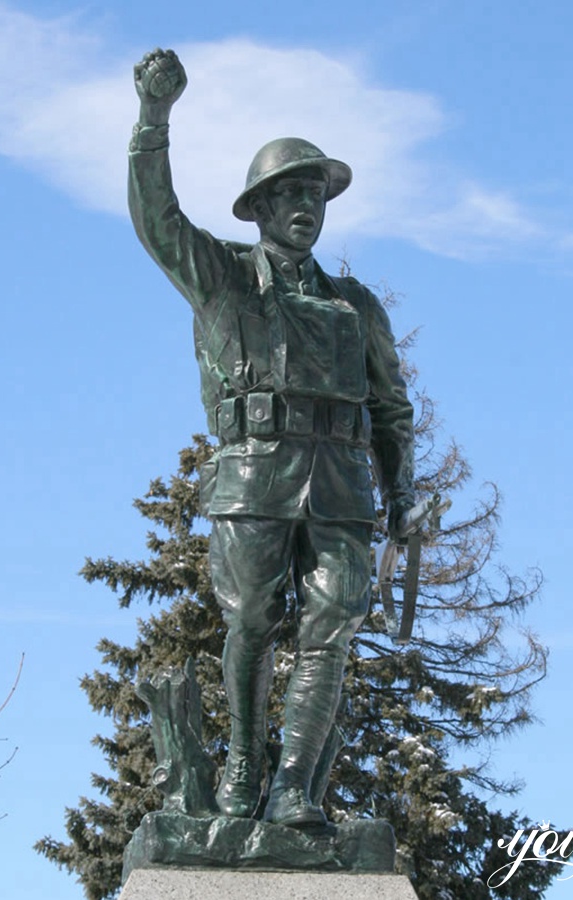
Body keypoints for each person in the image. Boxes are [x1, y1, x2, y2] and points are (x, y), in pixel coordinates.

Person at [128, 48, 415, 829]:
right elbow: (157, 221)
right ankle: (245, 768)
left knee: (334, 624)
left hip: (343, 484)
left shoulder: (356, 307)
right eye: (288, 192)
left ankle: (294, 789)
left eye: (314, 192)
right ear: (256, 209)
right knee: (251, 619)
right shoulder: (220, 276)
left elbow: (391, 408)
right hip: (254, 474)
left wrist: (406, 495)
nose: (305, 204)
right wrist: (154, 120)